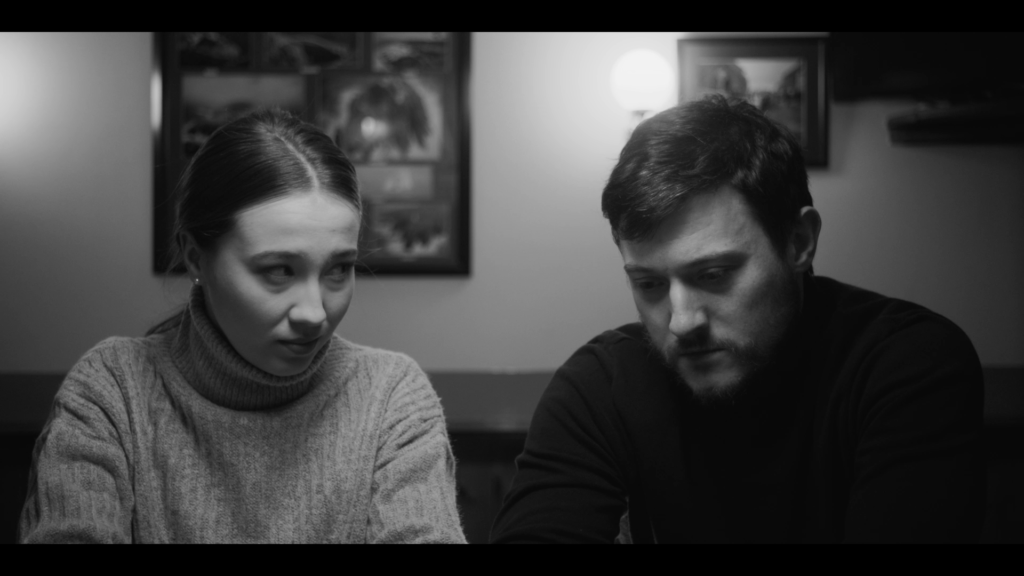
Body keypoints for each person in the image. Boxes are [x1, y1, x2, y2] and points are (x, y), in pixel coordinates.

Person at [490, 95, 986, 543]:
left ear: (799, 242)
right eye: (649, 284)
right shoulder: (599, 385)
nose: (682, 322)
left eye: (714, 275)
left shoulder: (906, 364)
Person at [19, 109, 466, 543]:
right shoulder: (113, 389)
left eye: (338, 269)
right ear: (196, 258)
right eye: (279, 270)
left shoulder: (391, 396)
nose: (314, 313)